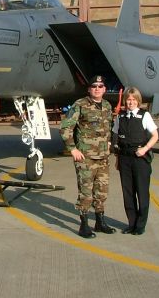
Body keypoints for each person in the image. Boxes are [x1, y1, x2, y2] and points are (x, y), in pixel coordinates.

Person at [60, 75, 116, 238]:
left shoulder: (107, 105)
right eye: (94, 86)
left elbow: (108, 128)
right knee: (86, 193)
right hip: (86, 158)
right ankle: (84, 225)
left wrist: (110, 144)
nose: (97, 89)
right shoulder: (80, 105)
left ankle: (100, 222)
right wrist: (72, 149)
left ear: (105, 89)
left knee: (102, 192)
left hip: (103, 157)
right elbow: (65, 128)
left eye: (100, 86)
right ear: (89, 89)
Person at [111, 87, 159, 236]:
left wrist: (145, 149)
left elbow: (155, 135)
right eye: (128, 99)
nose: (130, 102)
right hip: (125, 157)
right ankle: (131, 223)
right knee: (128, 193)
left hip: (140, 158)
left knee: (142, 192)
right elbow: (116, 136)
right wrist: (118, 159)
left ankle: (140, 225)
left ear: (138, 101)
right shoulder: (120, 117)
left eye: (133, 99)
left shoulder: (144, 116)